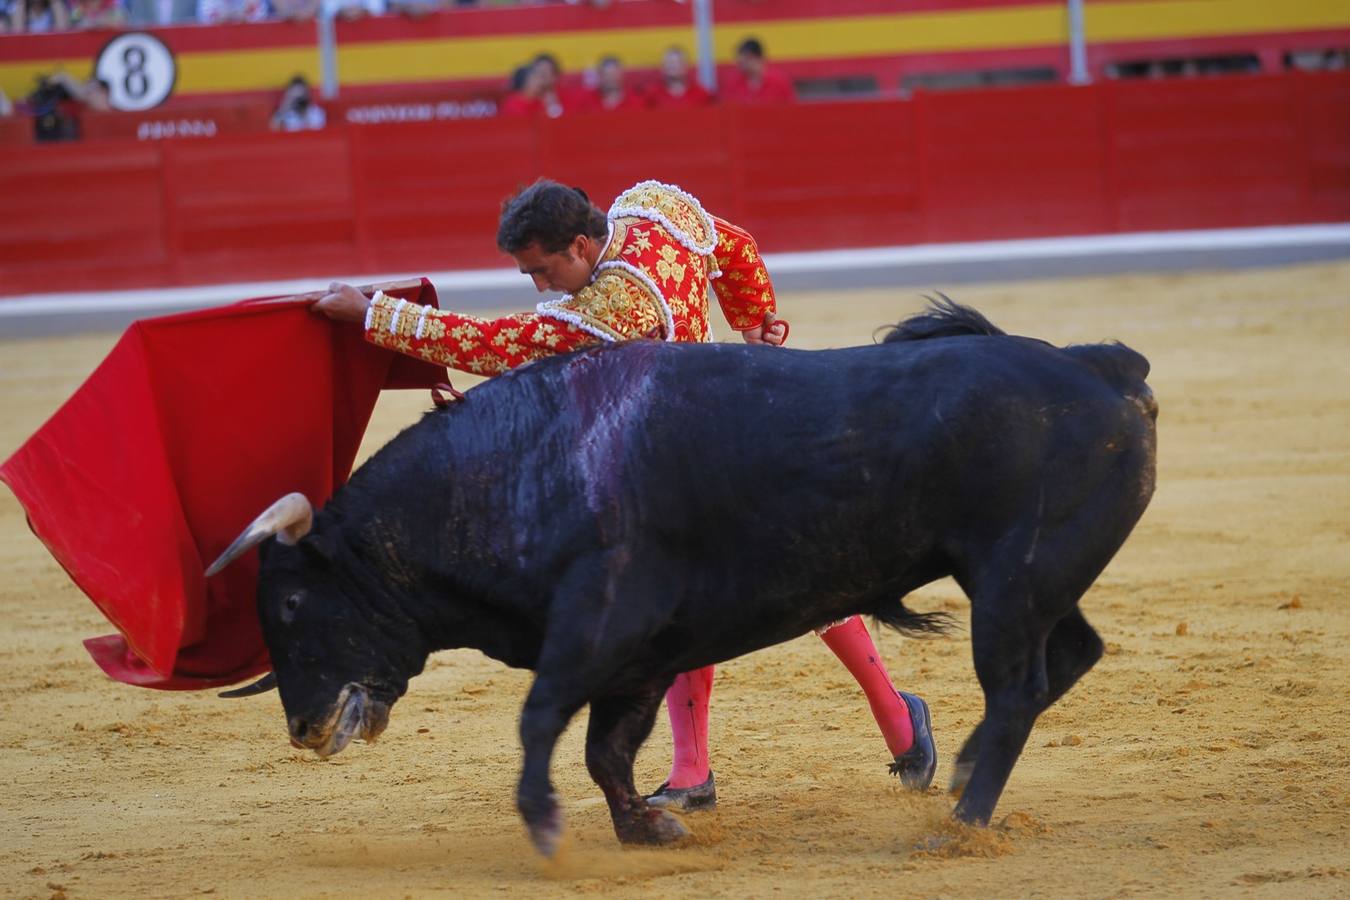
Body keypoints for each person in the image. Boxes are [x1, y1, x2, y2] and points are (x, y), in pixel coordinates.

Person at [312, 179, 936, 810]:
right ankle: (867, 727)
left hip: (680, 449)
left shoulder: (610, 308)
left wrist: (374, 313)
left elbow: (500, 343)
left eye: (544, 269)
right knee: (778, 578)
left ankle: (833, 732)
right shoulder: (652, 208)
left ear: (581, 244)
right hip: (726, 427)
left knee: (688, 593)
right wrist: (757, 328)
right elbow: (737, 248)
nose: (541, 287)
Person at [721, 37, 795, 105]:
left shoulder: (779, 82)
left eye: (748, 59)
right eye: (741, 61)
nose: (745, 64)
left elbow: (791, 110)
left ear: (760, 58)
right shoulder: (732, 85)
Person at [647, 46, 714, 110]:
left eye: (677, 62)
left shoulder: (702, 95)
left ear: (686, 66)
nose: (672, 66)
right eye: (669, 62)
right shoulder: (652, 96)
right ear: (662, 67)